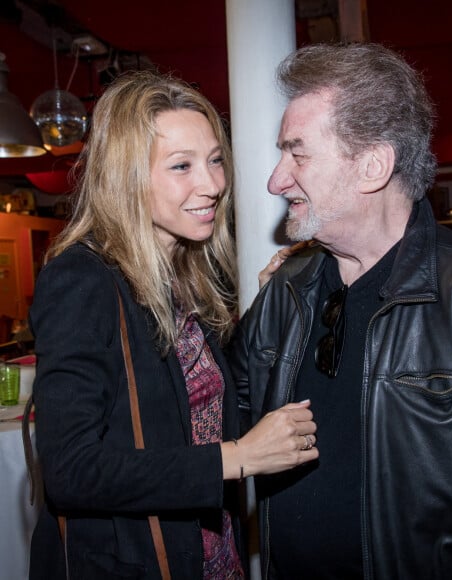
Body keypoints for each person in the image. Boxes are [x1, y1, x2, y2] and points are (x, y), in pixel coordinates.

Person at [228, 43, 452, 579]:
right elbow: (215, 413)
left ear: (372, 165)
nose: (276, 180)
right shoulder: (288, 290)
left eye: (297, 154)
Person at [28, 70, 318, 580]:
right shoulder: (83, 279)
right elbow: (70, 471)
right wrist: (237, 458)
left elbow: (192, 394)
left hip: (208, 552)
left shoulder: (180, 271)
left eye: (213, 160)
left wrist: (267, 304)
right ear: (126, 177)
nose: (211, 185)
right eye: (181, 165)